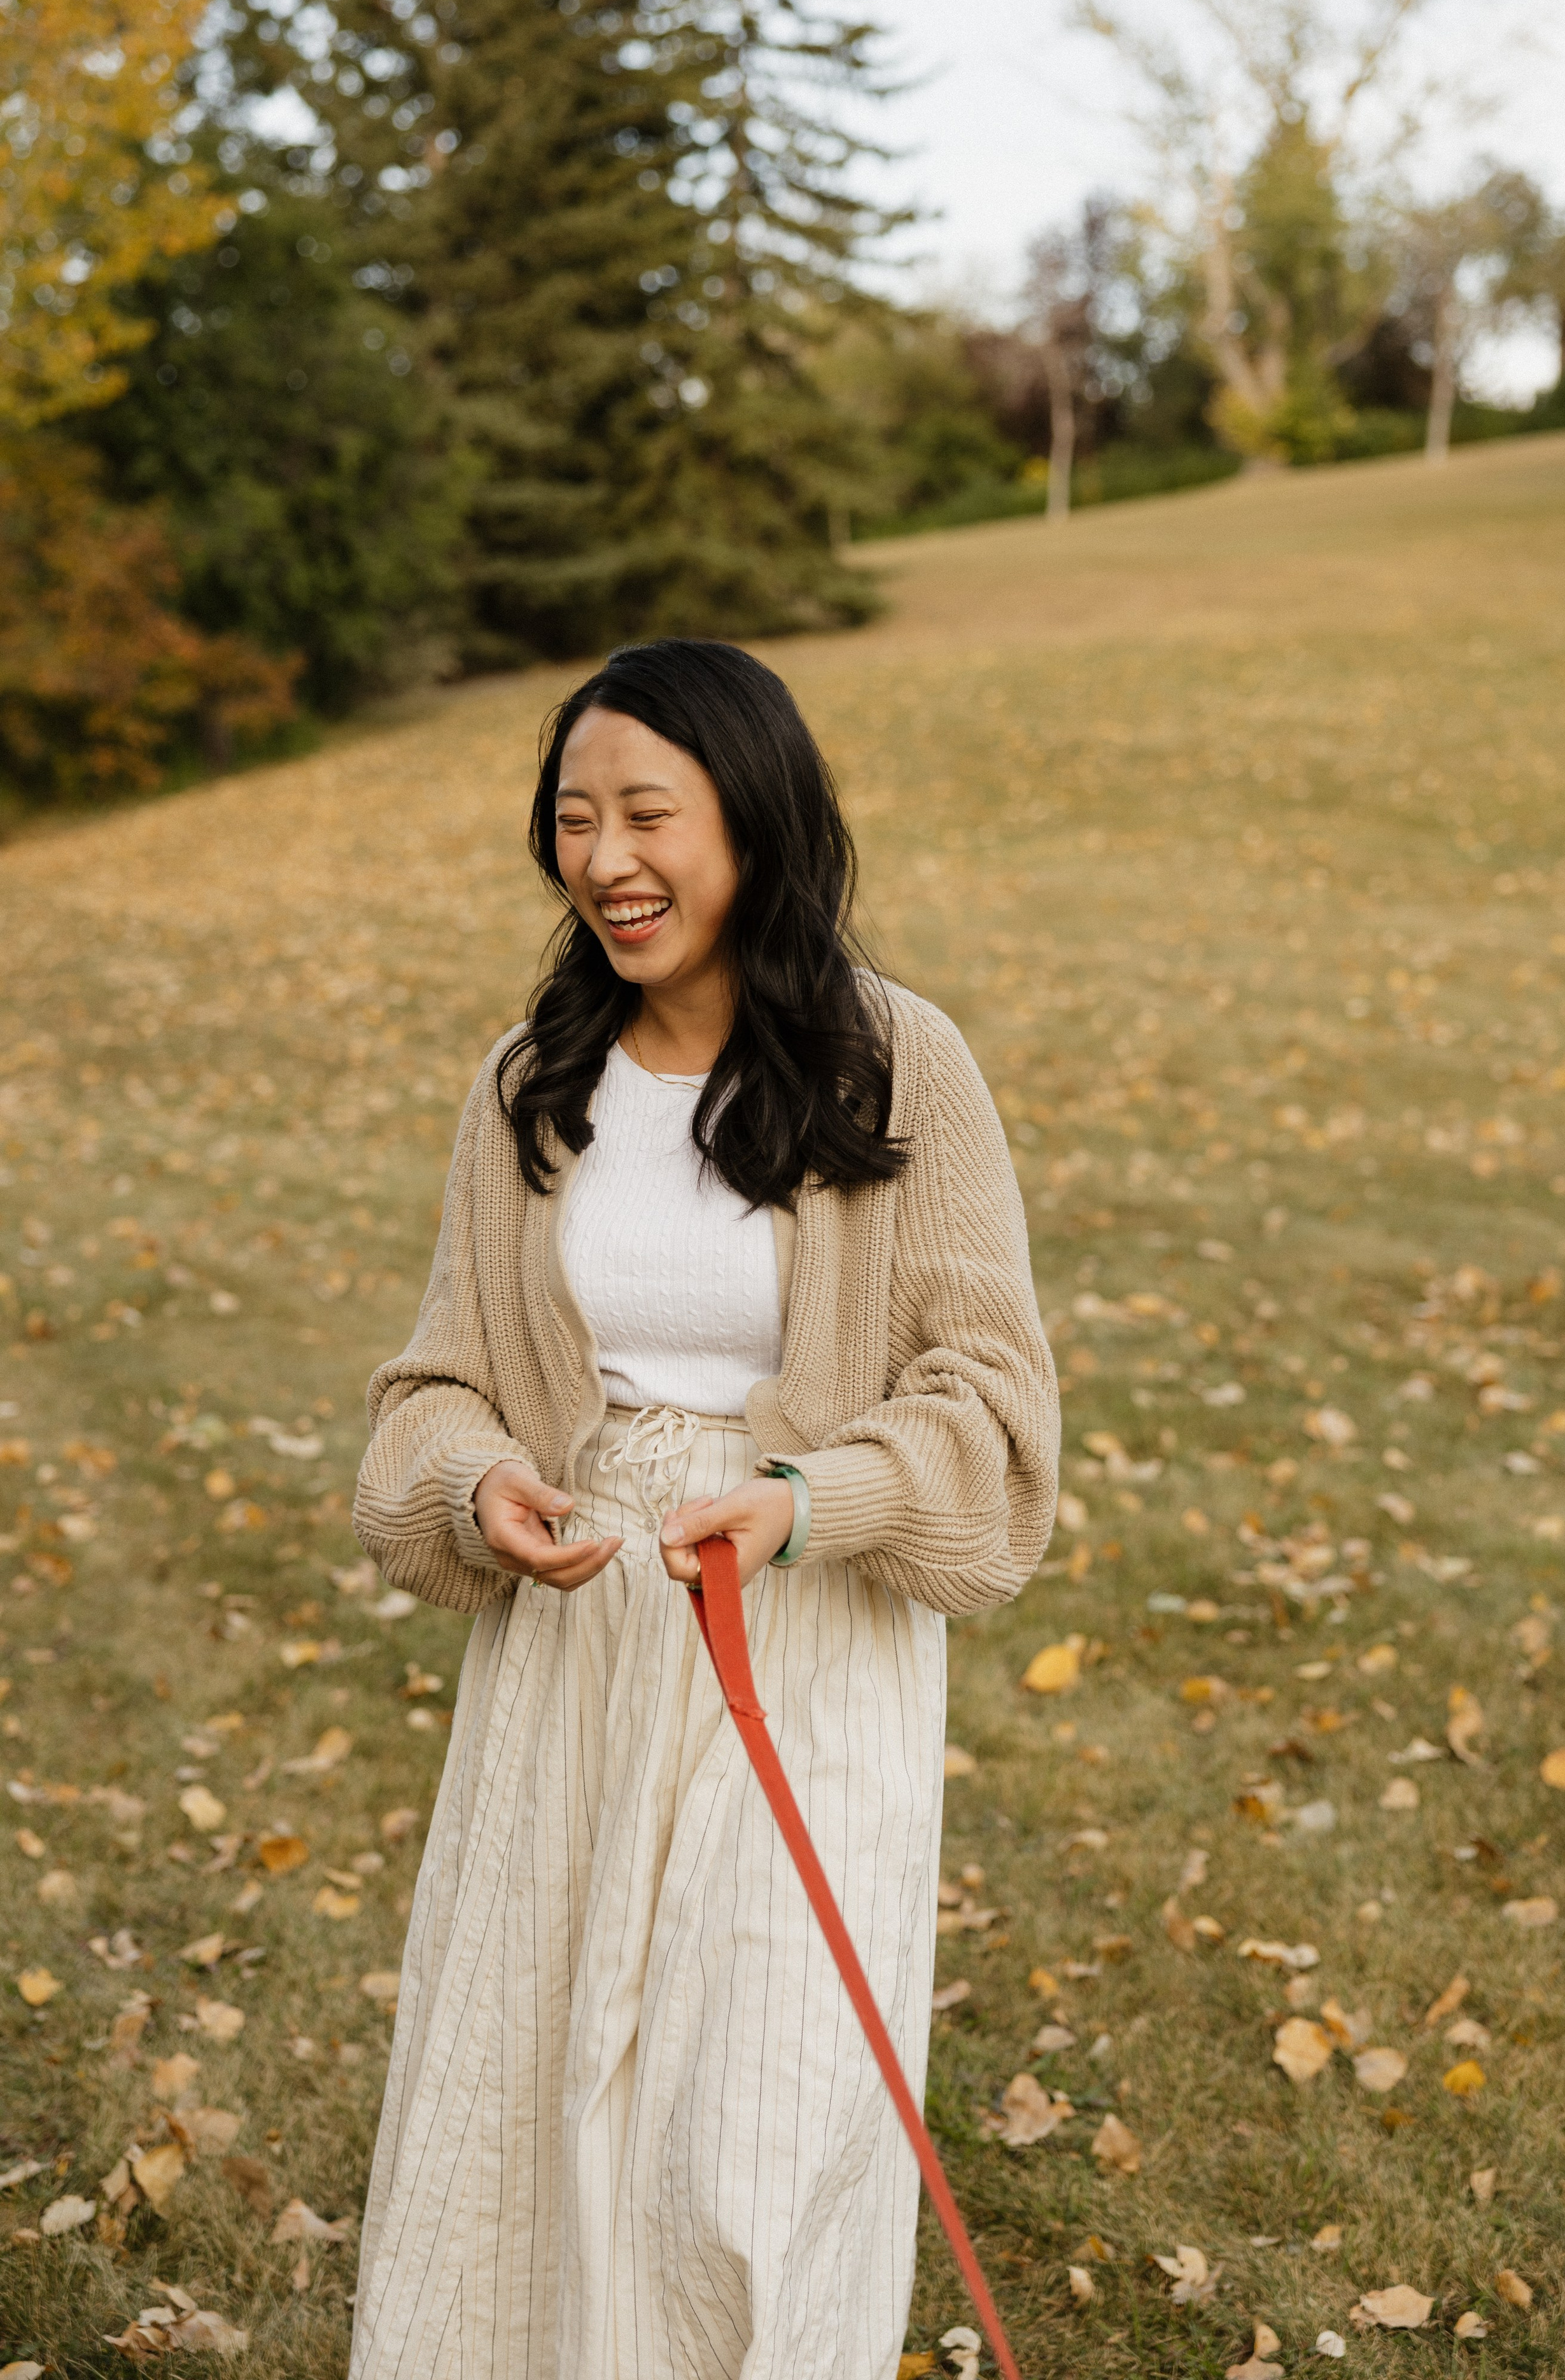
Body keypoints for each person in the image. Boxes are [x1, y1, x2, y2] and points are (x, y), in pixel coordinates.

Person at [347, 638, 1058, 2380]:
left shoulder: (898, 1064)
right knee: (533, 2101)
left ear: (753, 816)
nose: (606, 859)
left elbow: (994, 1399)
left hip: (802, 1640)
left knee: (753, 2137)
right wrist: (478, 1483)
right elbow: (436, 1384)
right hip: (577, 1647)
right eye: (574, 818)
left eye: (648, 813)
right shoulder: (533, 1080)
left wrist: (810, 1501)